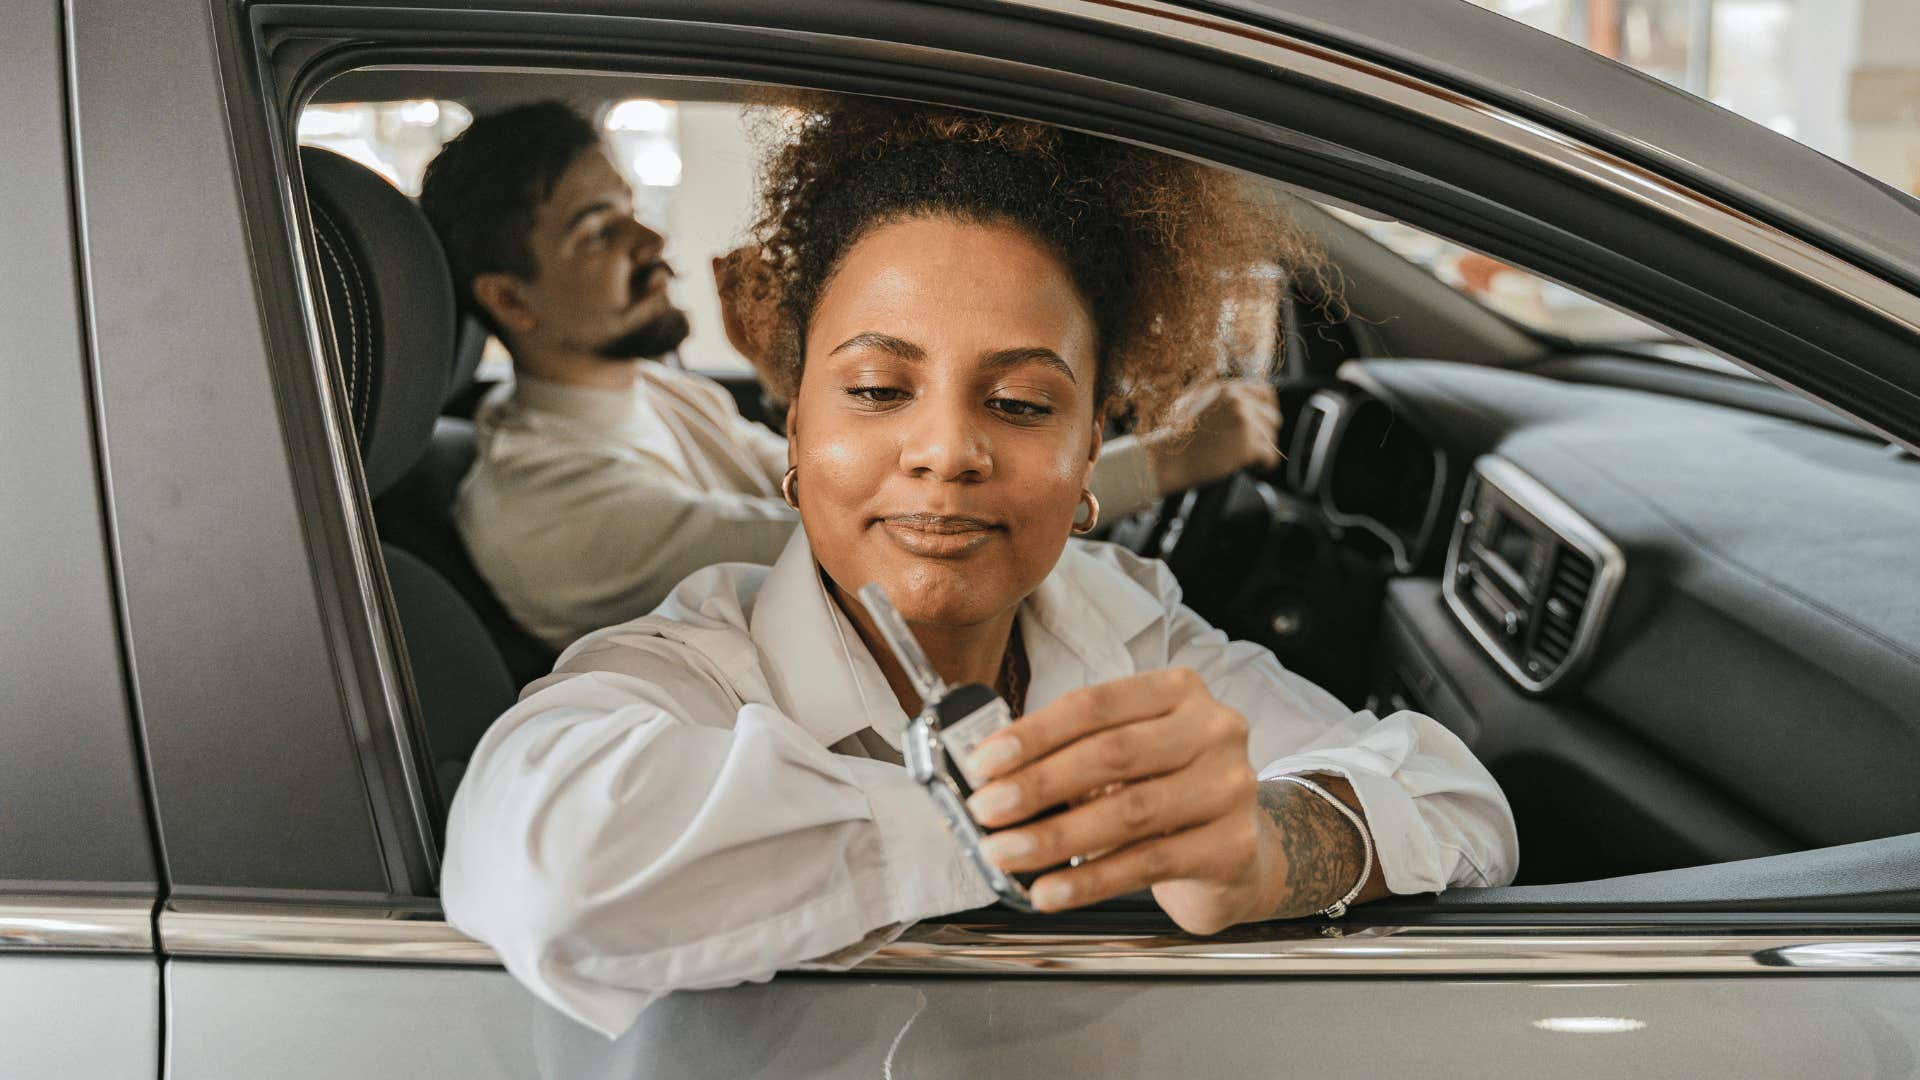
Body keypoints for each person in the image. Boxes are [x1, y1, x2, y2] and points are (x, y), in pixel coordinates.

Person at [440, 100, 1517, 1037]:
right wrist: (1043, 830)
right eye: (874, 390)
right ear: (795, 427)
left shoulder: (1123, 619)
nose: (948, 450)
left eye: (1018, 403)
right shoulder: (690, 667)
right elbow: (548, 862)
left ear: (1093, 441)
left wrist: (1266, 842)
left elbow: (1460, 800)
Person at [417, 102, 1284, 651]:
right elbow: (857, 541)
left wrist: (792, 377)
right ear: (511, 300)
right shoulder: (548, 511)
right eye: (599, 231)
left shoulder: (656, 395)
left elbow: (806, 481)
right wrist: (1167, 462)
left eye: (636, 214)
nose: (651, 246)